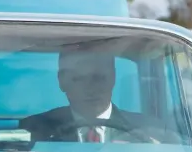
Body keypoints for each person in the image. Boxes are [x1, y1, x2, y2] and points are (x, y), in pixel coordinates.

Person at [19, 45, 180, 144]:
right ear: (62, 81)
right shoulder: (34, 131)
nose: (92, 88)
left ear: (113, 78)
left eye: (99, 78)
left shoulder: (151, 131)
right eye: (80, 79)